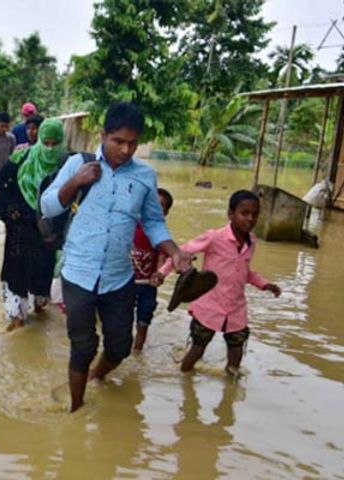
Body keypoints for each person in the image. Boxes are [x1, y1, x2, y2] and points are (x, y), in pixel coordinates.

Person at [40, 102, 192, 412]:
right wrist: (76, 181)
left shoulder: (145, 177)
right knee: (82, 346)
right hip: (78, 274)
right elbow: (47, 206)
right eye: (118, 141)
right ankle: (76, 410)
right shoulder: (77, 164)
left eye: (132, 143)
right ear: (103, 135)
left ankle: (96, 376)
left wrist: (174, 252)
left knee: (121, 346)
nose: (125, 150)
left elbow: (152, 222)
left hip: (119, 277)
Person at [154, 190, 282, 376]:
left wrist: (264, 284)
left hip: (236, 308)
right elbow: (181, 252)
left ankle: (230, 390)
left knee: (236, 350)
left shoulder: (251, 241)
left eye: (254, 214)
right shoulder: (215, 238)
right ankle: (183, 380)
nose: (250, 218)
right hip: (209, 306)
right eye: (244, 213)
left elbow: (244, 272)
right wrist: (161, 272)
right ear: (231, 214)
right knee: (197, 349)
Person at [0, 119, 65, 331]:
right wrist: (7, 211)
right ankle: (17, 317)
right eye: (46, 143)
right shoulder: (22, 156)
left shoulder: (66, 164)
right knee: (17, 272)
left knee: (42, 273)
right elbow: (0, 180)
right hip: (19, 227)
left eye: (55, 143)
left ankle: (38, 305)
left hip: (47, 231)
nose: (50, 149)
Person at [130, 188, 174, 351]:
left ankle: (137, 351)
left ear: (166, 213)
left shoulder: (161, 235)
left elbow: (162, 257)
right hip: (126, 283)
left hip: (147, 285)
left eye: (161, 206)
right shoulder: (130, 226)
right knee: (122, 318)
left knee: (143, 320)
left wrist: (159, 275)